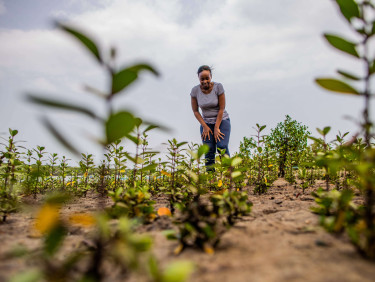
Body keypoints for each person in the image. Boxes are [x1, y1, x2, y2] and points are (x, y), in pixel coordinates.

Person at [190, 65, 231, 170]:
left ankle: (229, 175)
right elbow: (195, 111)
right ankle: (210, 180)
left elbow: (221, 108)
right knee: (208, 150)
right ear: (199, 79)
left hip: (222, 121)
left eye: (207, 78)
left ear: (211, 77)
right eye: (202, 79)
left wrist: (217, 127)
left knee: (222, 146)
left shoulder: (218, 87)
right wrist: (205, 126)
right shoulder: (195, 91)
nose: (205, 81)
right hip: (206, 123)